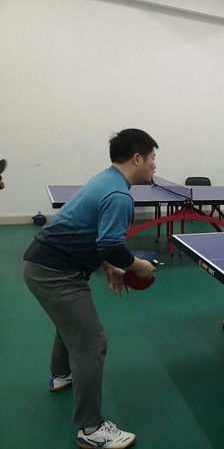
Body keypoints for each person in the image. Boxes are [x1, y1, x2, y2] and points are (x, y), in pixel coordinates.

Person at [23, 129, 159, 449]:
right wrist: (138, 266)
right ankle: (91, 430)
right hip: (56, 272)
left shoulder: (106, 179)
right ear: (137, 158)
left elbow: (90, 233)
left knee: (70, 325)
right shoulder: (119, 195)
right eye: (152, 158)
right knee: (91, 341)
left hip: (42, 264)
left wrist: (109, 267)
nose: (155, 165)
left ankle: (61, 375)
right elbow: (110, 243)